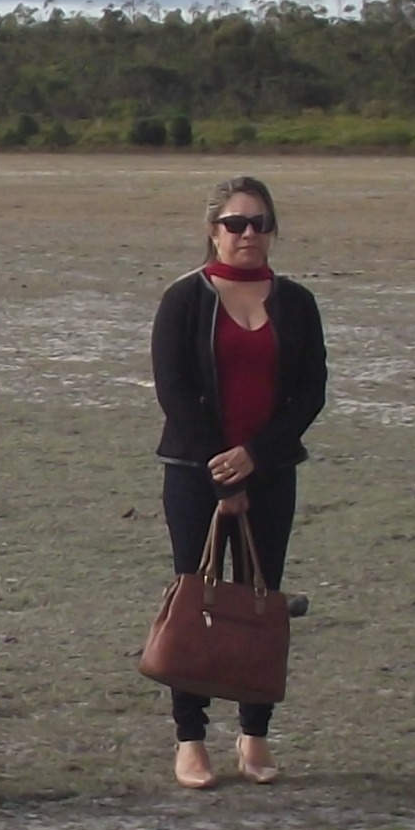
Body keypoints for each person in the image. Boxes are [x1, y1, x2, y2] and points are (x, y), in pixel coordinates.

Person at [150, 177, 328, 789]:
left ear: (273, 230)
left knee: (261, 599)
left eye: (259, 223)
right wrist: (221, 470)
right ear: (212, 230)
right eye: (235, 223)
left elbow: (309, 393)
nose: (247, 234)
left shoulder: (297, 303)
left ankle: (255, 734)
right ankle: (190, 738)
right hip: (195, 471)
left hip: (270, 471)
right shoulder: (184, 300)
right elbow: (174, 390)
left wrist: (256, 457)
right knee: (194, 598)